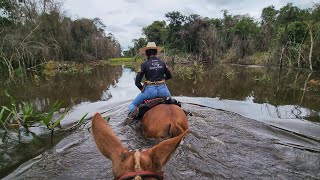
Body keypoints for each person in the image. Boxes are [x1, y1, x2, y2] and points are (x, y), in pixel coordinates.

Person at [127, 42, 172, 119]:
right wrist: (161, 79)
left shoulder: (144, 64)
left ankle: (135, 119)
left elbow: (137, 82)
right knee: (173, 102)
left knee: (132, 105)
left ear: (147, 53)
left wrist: (142, 90)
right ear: (156, 52)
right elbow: (169, 76)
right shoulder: (163, 63)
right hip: (163, 91)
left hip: (150, 91)